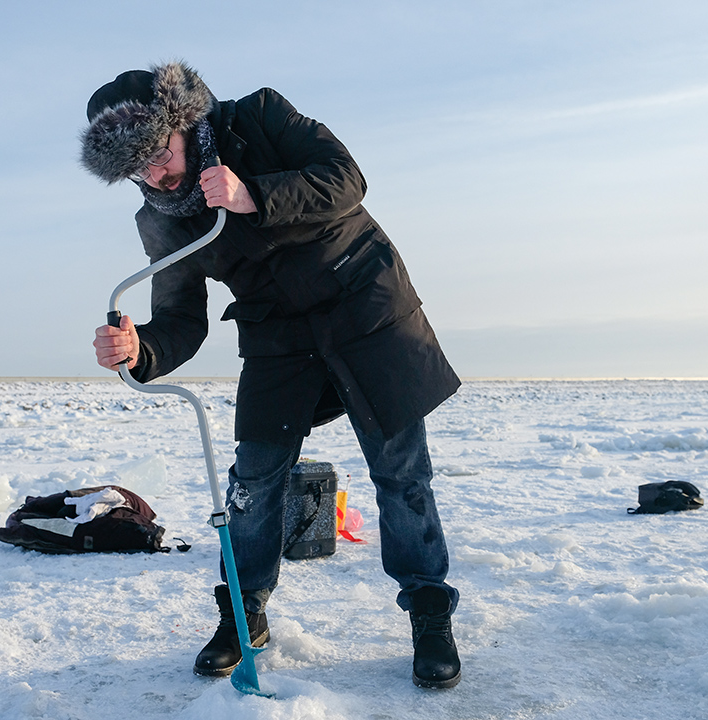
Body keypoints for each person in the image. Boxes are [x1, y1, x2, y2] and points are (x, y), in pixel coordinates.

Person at [81, 61, 463, 689]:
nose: (155, 176)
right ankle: (244, 614)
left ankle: (428, 610)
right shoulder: (160, 220)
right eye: (136, 170)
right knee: (254, 480)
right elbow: (180, 319)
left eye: (159, 154)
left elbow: (346, 180)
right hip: (277, 332)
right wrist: (139, 349)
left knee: (401, 471)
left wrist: (252, 194)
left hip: (365, 306)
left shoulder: (259, 116)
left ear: (182, 123)